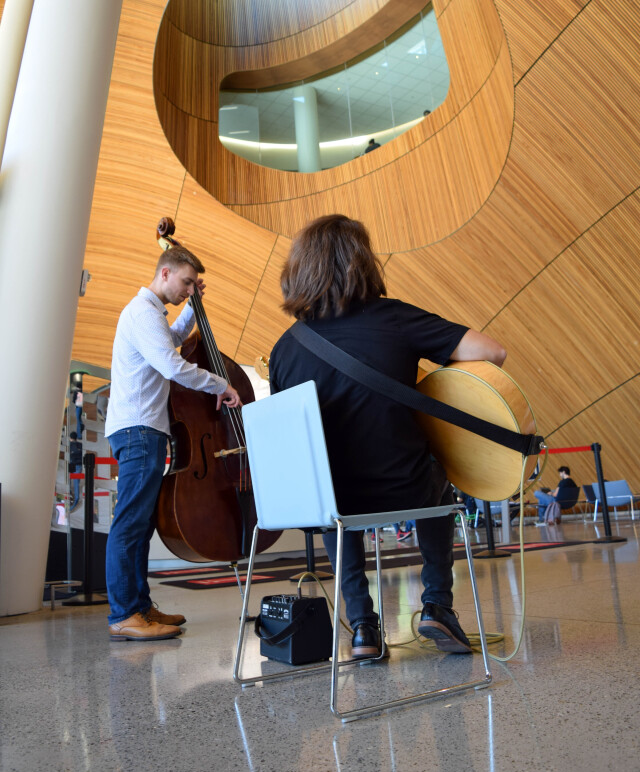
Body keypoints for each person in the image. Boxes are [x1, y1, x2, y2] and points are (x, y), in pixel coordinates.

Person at [269, 214, 506, 658]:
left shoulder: (285, 349)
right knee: (440, 475)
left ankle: (362, 627)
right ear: (362, 262)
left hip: (335, 502)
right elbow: (493, 352)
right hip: (406, 488)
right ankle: (437, 605)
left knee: (332, 511)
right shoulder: (394, 318)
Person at [105, 244, 241, 641]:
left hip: (143, 430)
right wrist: (220, 383)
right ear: (165, 273)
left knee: (141, 524)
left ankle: (140, 606)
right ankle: (124, 614)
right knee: (130, 523)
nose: (187, 289)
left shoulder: (151, 317)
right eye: (184, 282)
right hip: (138, 430)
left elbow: (173, 339)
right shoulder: (143, 312)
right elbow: (171, 363)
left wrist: (193, 307)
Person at [68, 431, 82, 511]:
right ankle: (75, 501)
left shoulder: (69, 445)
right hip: (78, 465)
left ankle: (69, 495)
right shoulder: (80, 445)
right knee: (76, 484)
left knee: (68, 481)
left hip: (71, 464)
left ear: (70, 438)